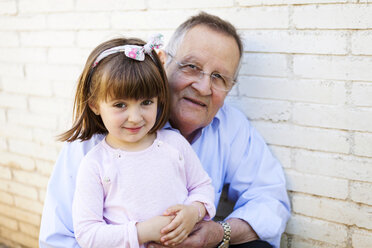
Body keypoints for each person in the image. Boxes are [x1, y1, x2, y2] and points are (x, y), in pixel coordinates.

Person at [39, 12, 291, 248]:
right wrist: (140, 233)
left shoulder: (227, 127)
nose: (204, 87)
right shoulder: (93, 145)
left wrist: (217, 233)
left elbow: (269, 200)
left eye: (218, 77)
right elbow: (60, 238)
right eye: (192, 66)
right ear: (163, 62)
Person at [57, 34, 216, 248]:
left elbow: (202, 186)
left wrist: (194, 211)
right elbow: (88, 234)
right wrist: (141, 232)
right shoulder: (95, 164)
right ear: (95, 104)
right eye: (120, 105)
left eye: (146, 102)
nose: (135, 117)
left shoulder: (174, 144)